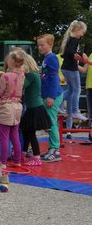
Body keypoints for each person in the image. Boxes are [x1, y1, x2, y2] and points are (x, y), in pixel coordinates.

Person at [0, 48, 25, 178]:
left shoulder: (5, 76)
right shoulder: (22, 74)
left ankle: (3, 163)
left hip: (6, 108)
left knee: (4, 137)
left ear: (12, 61)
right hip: (17, 107)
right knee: (15, 135)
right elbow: (13, 78)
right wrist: (3, 74)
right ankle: (17, 161)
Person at [20, 54, 51, 166]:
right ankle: (23, 152)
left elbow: (21, 85)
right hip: (34, 107)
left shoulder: (31, 75)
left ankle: (37, 157)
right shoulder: (33, 75)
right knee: (25, 129)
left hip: (35, 108)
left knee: (31, 132)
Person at [37, 34, 64, 162]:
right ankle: (52, 149)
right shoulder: (47, 58)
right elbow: (48, 76)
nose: (40, 47)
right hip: (48, 94)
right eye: (38, 45)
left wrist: (51, 97)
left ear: (50, 44)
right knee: (49, 122)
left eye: (42, 45)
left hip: (52, 95)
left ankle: (55, 150)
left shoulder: (51, 58)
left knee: (51, 122)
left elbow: (54, 78)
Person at [60, 20, 88, 135]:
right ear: (77, 30)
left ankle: (58, 102)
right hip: (71, 69)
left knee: (71, 89)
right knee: (77, 89)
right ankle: (76, 111)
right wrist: (81, 55)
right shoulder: (75, 40)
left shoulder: (69, 39)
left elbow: (65, 53)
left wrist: (80, 55)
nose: (82, 35)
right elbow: (70, 52)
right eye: (82, 32)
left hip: (65, 68)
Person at [78, 51, 92, 142]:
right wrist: (72, 64)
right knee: (91, 114)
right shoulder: (91, 55)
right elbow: (84, 70)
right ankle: (91, 137)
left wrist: (86, 60)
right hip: (89, 87)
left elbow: (89, 62)